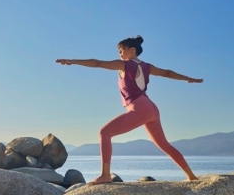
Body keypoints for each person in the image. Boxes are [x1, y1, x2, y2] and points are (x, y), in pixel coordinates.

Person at [55, 35, 201, 185]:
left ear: (132, 50)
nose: (119, 53)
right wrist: (188, 78)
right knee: (165, 145)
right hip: (151, 108)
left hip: (139, 107)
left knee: (105, 132)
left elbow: (97, 63)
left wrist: (73, 61)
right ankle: (191, 176)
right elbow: (167, 73)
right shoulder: (147, 67)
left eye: (121, 50)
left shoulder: (125, 65)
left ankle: (105, 175)